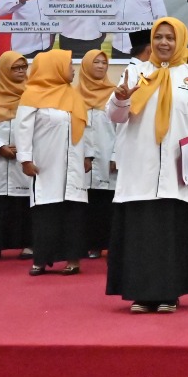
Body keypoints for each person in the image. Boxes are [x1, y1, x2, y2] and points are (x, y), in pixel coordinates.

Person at [106, 17, 188, 314]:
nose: (164, 43)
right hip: (139, 167)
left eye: (170, 37)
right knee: (142, 234)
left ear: (180, 40)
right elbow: (115, 117)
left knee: (172, 233)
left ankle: (170, 293)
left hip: (178, 168)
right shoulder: (135, 72)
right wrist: (120, 99)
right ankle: (141, 294)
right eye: (159, 37)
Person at [16, 49, 89, 276]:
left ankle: (73, 259)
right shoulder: (31, 96)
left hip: (73, 166)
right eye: (69, 66)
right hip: (46, 166)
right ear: (54, 67)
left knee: (73, 211)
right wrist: (25, 159)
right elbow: (23, 130)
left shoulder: (73, 95)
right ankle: (41, 259)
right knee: (46, 212)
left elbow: (84, 129)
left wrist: (87, 155)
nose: (73, 70)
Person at [0, 52, 32, 262]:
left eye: (23, 67)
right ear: (3, 70)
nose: (20, 71)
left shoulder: (33, 93)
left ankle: (28, 243)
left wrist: (23, 147)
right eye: (15, 68)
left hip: (23, 154)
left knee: (23, 201)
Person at [75, 50, 118, 258]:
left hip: (108, 157)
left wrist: (116, 155)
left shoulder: (115, 94)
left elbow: (123, 128)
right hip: (80, 158)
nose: (101, 66)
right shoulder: (74, 95)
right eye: (96, 62)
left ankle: (103, 243)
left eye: (104, 62)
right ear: (85, 66)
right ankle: (84, 243)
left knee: (104, 201)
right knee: (83, 201)